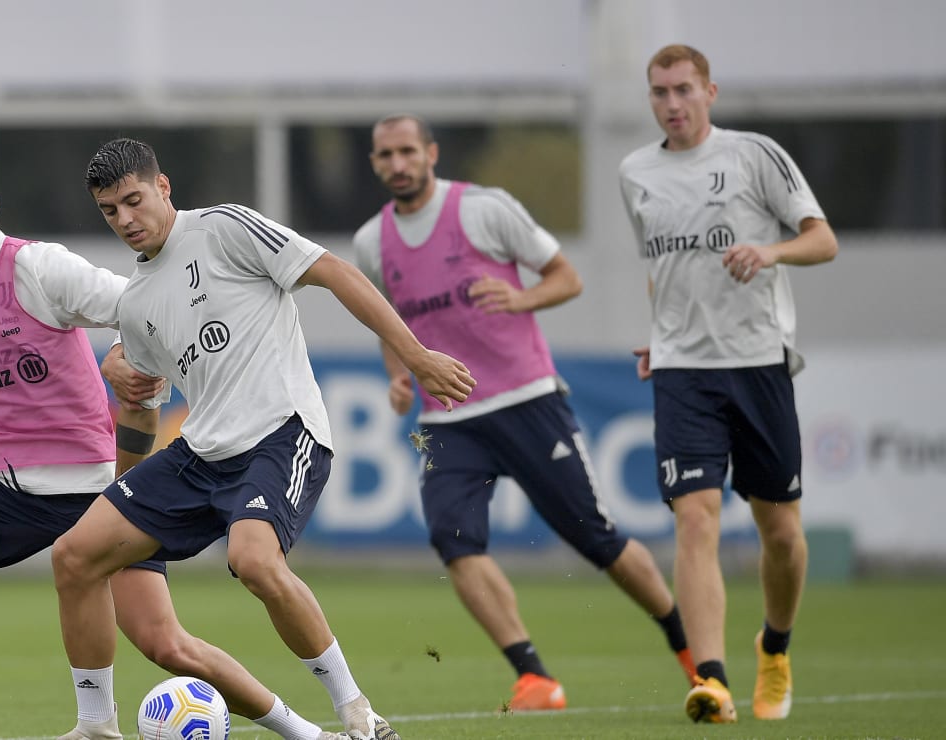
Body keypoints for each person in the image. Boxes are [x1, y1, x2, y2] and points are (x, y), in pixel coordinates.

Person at [0, 159, 353, 740]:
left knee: (167, 645)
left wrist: (119, 357)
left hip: (92, 490)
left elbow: (136, 303)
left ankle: (304, 732)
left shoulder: (39, 269)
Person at [52, 137, 475, 740]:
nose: (124, 219)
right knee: (74, 555)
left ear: (163, 187)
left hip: (283, 434)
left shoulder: (224, 229)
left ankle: (357, 712)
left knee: (251, 560)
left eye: (133, 200)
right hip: (200, 454)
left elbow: (333, 271)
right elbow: (144, 405)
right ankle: (96, 725)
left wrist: (414, 356)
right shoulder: (138, 301)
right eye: (109, 211)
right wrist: (122, 494)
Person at [351, 114, 697, 713]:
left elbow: (567, 278)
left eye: (408, 150)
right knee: (452, 539)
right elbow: (388, 321)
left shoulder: (486, 210)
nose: (397, 163)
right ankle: (534, 676)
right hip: (447, 420)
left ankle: (693, 654)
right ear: (375, 162)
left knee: (599, 541)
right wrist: (396, 376)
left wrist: (521, 297)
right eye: (385, 155)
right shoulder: (370, 242)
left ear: (431, 153)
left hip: (527, 402)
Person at [618, 45, 839, 724]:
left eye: (683, 89)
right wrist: (662, 331)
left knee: (780, 532)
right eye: (659, 92)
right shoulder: (635, 172)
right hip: (684, 370)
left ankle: (774, 646)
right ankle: (711, 679)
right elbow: (661, 268)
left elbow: (822, 239)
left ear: (710, 91)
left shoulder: (754, 155)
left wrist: (770, 251)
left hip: (757, 362)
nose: (672, 104)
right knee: (694, 516)